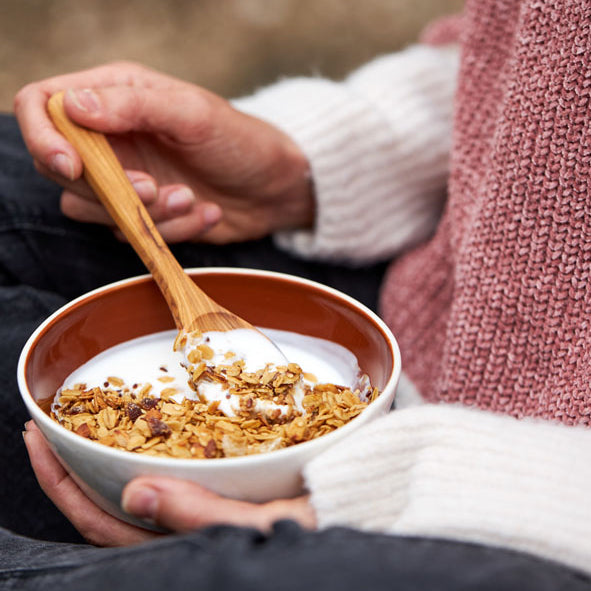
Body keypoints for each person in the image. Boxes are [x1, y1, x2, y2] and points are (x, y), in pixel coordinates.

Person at [2, 0, 591, 588]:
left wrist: (427, 489)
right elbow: (524, 54)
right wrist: (312, 167)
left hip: (534, 511)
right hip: (434, 312)